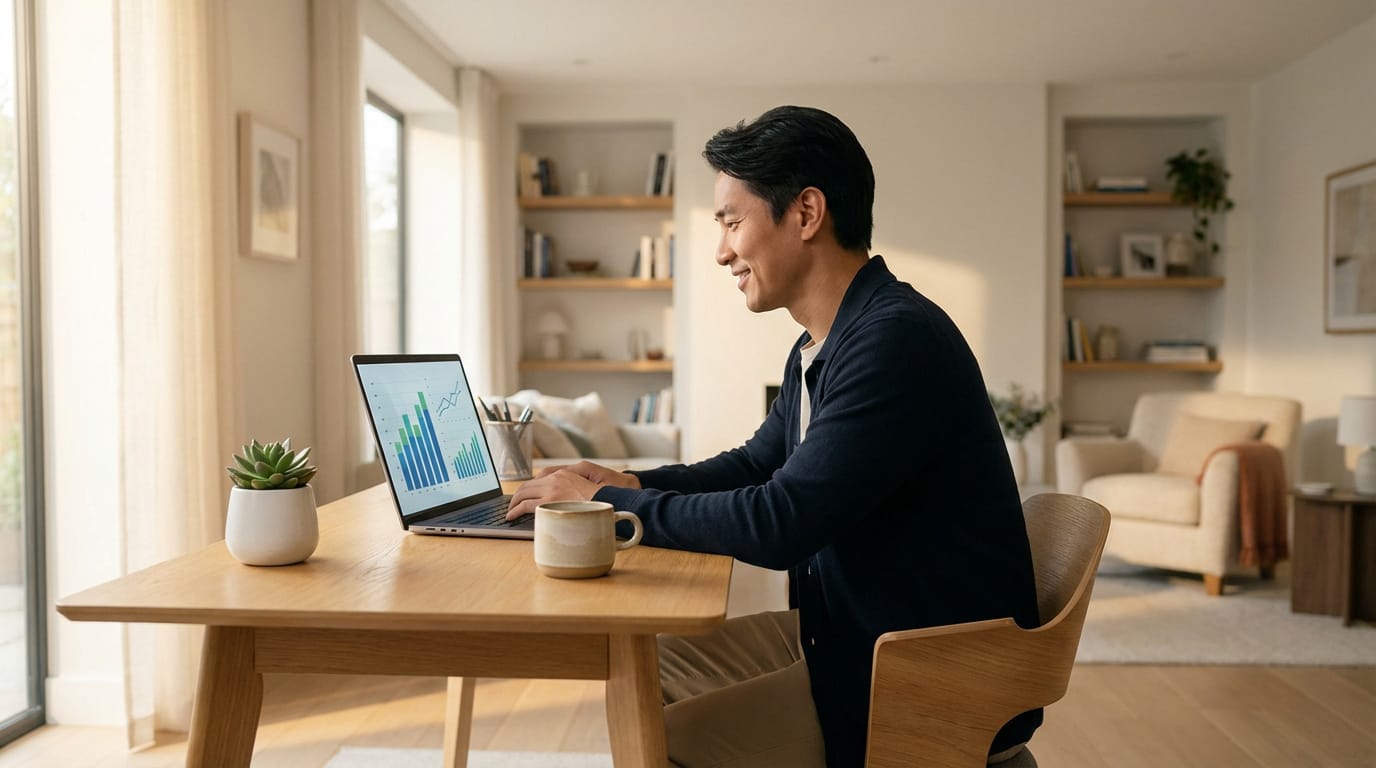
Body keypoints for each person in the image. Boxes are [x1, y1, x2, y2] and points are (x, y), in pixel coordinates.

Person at [507, 105, 1041, 768]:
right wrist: (633, 483)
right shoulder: (822, 345)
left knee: (649, 738)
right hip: (849, 639)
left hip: (919, 679)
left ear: (806, 213)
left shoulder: (894, 342)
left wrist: (614, 510)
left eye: (732, 221)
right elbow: (759, 464)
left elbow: (782, 521)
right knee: (642, 669)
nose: (722, 250)